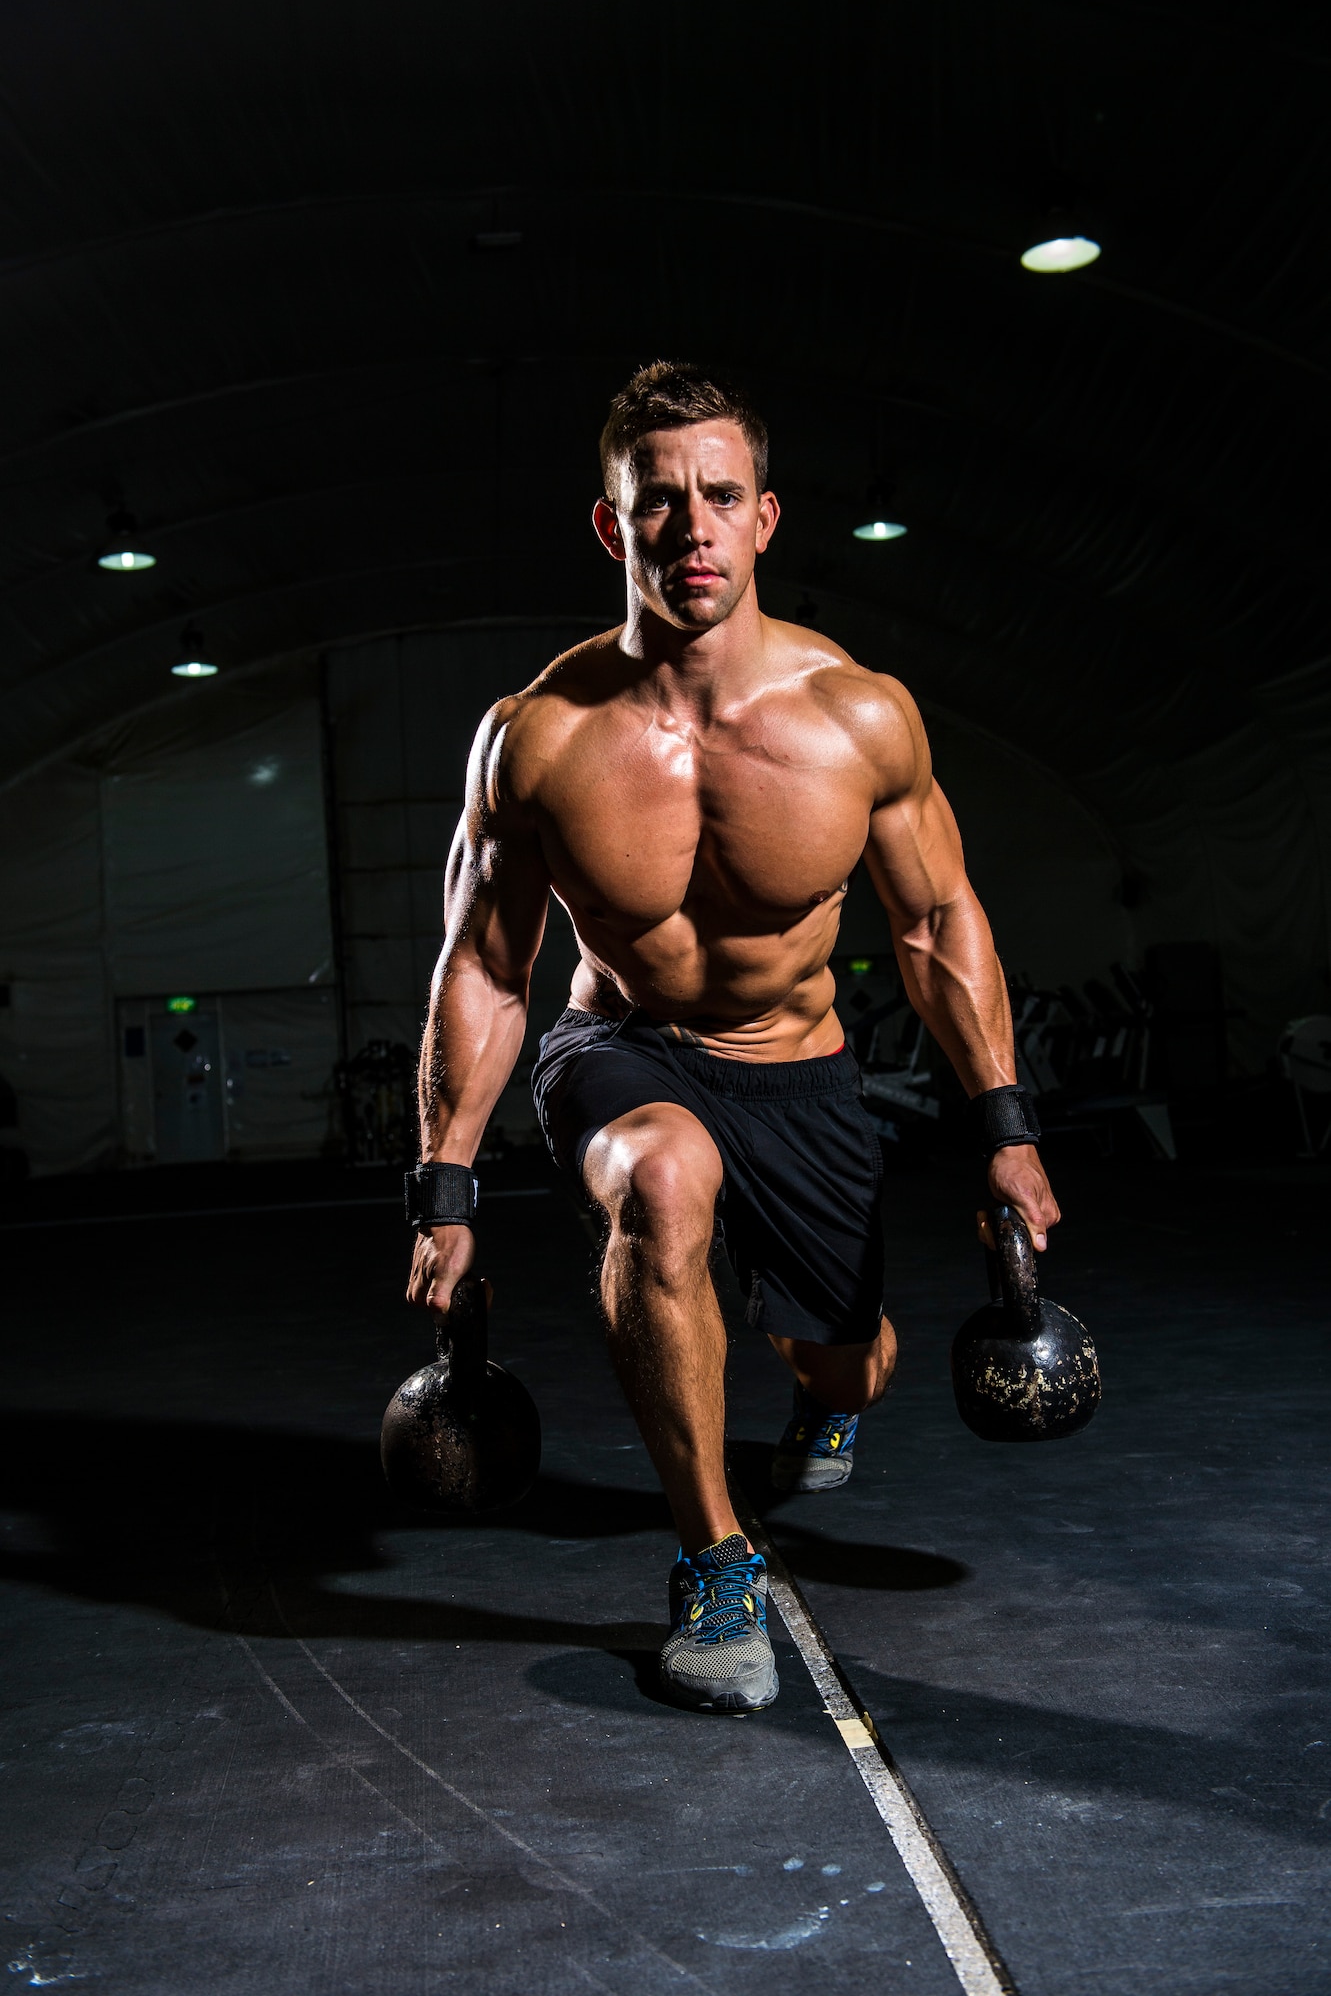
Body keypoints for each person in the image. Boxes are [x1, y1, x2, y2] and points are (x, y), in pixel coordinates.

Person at [405, 361, 1059, 1714]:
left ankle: (824, 1395)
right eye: (660, 503)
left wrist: (1007, 1127)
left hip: (805, 1074)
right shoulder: (535, 738)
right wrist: (446, 1186)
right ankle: (714, 1558)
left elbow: (938, 924)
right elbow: (484, 964)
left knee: (847, 1360)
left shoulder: (858, 717)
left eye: (721, 498)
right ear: (613, 526)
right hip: (622, 1053)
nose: (692, 530)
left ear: (767, 518)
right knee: (660, 1181)